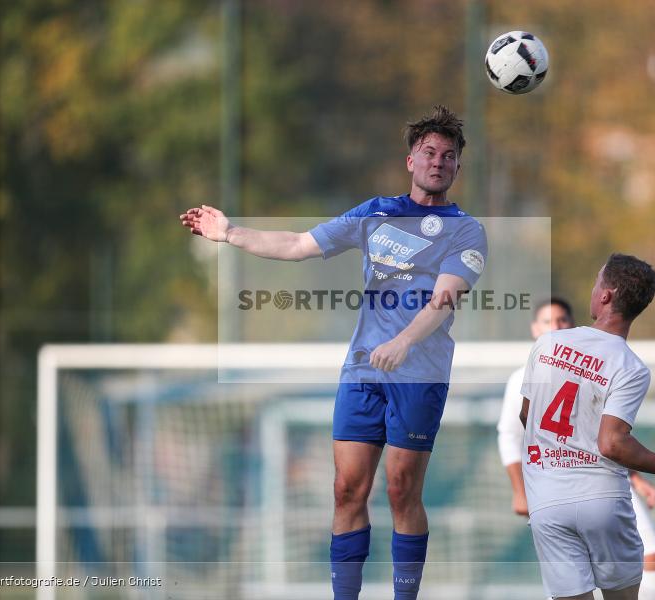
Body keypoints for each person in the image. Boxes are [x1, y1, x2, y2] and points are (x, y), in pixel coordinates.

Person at [180, 105, 487, 600]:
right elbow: (299, 243)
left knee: (401, 490)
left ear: (456, 169)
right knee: (347, 490)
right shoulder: (374, 214)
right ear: (410, 160)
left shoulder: (466, 229)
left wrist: (404, 341)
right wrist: (229, 234)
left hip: (418, 376)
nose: (438, 162)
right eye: (429, 152)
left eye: (448, 156)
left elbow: (444, 299)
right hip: (363, 372)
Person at [519, 254, 655, 600]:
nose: (593, 289)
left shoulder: (547, 344)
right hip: (602, 499)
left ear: (606, 295)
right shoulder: (631, 367)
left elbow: (526, 417)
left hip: (546, 499)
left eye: (596, 282)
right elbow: (612, 444)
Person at [498, 298, 655, 599]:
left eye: (562, 320)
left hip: (595, 481)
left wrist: (635, 477)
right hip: (571, 484)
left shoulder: (600, 360)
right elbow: (511, 432)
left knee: (653, 557)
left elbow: (600, 434)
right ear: (534, 328)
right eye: (548, 322)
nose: (556, 326)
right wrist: (520, 488)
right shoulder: (522, 375)